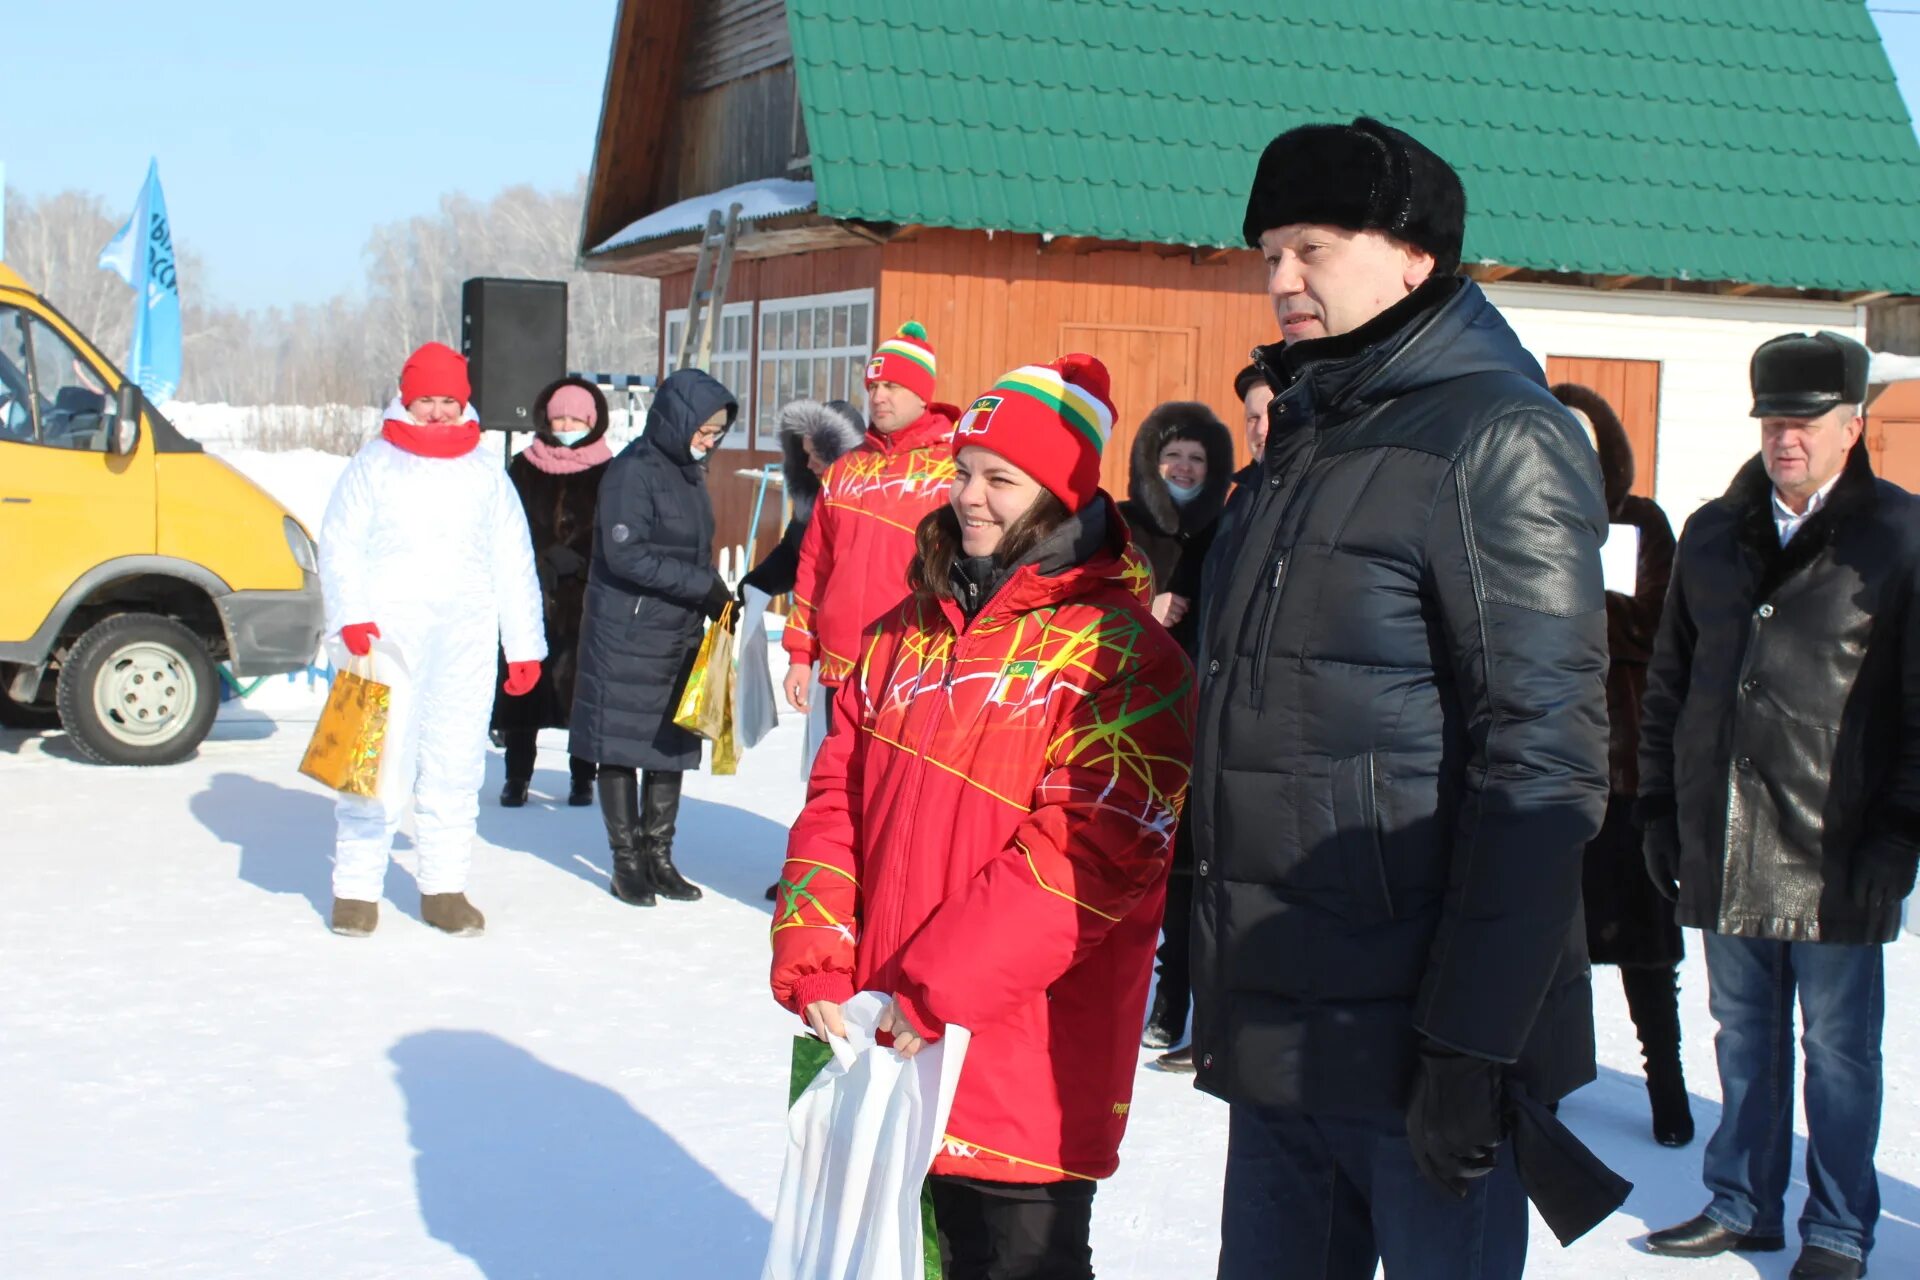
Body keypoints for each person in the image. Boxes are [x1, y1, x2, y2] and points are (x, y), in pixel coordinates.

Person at [1190, 118, 1611, 1278]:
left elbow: (1542, 762)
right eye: (1268, 251)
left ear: (1413, 256)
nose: (1280, 280)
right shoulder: (1312, 434)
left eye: (1312, 248)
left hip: (1422, 1040)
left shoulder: (1496, 437)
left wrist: (1473, 1041)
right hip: (1286, 1015)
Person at [771, 354, 1195, 1280]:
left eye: (1001, 480)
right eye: (963, 472)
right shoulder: (901, 631)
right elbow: (833, 796)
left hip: (1019, 1067)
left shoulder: (1126, 658)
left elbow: (1088, 853)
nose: (970, 497)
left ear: (1059, 495)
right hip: (881, 1040)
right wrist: (818, 954)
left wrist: (934, 993)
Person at [1638, 331, 1920, 1280]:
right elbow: (1670, 684)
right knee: (1744, 1036)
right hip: (1722, 833)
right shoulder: (1715, 532)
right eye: (1772, 420)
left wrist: (1899, 835)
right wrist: (1656, 809)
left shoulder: (1900, 538)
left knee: (1840, 1051)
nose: (1785, 437)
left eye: (1805, 421)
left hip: (1836, 843)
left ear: (1853, 426)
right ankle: (1743, 1203)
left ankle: (1838, 1229)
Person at [319, 341, 546, 938]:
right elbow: (339, 542)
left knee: (454, 761)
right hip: (381, 641)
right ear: (406, 398)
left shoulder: (484, 473)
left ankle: (443, 887)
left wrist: (524, 645)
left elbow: (512, 560)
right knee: (367, 760)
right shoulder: (374, 462)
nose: (439, 411)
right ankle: (356, 890)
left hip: (463, 640)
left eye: (450, 399)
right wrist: (351, 614)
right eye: (427, 400)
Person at [1551, 382, 1692, 1148]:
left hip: (1625, 769)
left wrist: (1579, 606)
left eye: (1585, 436)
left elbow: (1655, 627)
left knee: (1644, 951)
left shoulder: (1640, 522)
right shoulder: (1520, 513)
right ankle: (1548, 1082)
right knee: (1545, 946)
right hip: (1541, 767)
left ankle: (1666, 1090)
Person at [569, 368, 736, 909]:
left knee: (669, 743)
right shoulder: (631, 473)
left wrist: (713, 594)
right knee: (618, 744)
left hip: (676, 632)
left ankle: (660, 857)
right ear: (677, 419)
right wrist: (702, 587)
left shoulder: (687, 472)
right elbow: (627, 553)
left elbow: (688, 550)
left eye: (716, 433)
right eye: (704, 430)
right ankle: (627, 864)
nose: (709, 441)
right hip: (628, 632)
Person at [1115, 401, 1235, 1071]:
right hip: (1131, 718)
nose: (1184, 469)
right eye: (1173, 458)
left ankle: (1171, 1001)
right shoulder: (1125, 527)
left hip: (1201, 719)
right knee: (1126, 864)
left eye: (1196, 459)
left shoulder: (1225, 528)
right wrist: (1148, 605)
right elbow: (1093, 602)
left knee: (1189, 873)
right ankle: (1116, 993)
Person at [780, 322, 959, 723]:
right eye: (873, 387)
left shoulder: (952, 468)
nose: (878, 397)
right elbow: (815, 565)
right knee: (837, 782)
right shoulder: (845, 469)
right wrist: (799, 654)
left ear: (921, 393)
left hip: (913, 663)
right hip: (841, 663)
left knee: (892, 785)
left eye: (892, 386)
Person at [491, 378, 615, 809]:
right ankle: (517, 775)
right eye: (559, 417)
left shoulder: (608, 469)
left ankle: (583, 776)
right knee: (523, 687)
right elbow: (504, 523)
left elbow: (617, 531)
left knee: (582, 690)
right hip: (532, 594)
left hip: (586, 600)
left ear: (592, 421)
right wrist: (541, 556)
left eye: (576, 419)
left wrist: (580, 558)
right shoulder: (522, 466)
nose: (566, 425)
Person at [737, 398, 867, 599]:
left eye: (816, 455)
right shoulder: (814, 496)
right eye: (805, 455)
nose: (809, 465)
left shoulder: (870, 508)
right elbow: (793, 550)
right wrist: (761, 581)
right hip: (812, 619)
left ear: (840, 455)